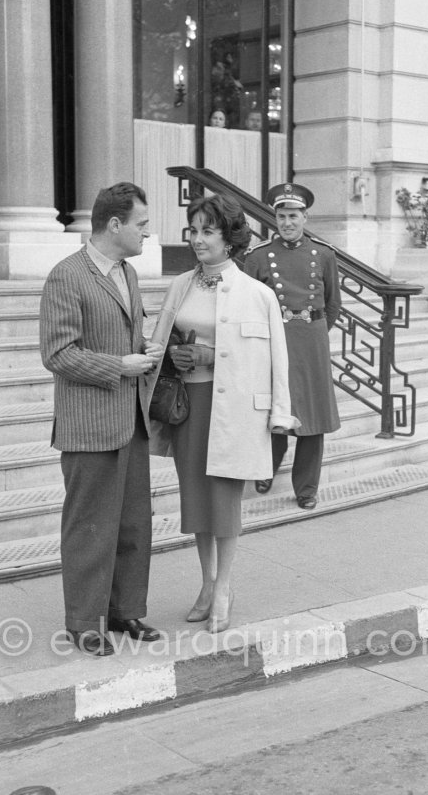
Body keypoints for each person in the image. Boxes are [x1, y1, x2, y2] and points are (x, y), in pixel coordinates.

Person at [150, 193, 298, 634]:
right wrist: (176, 354)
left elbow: (277, 361)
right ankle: (207, 582)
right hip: (188, 408)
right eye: (193, 230)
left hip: (233, 409)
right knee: (196, 499)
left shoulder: (258, 294)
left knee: (224, 500)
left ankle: (225, 587)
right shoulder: (181, 285)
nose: (197, 239)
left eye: (207, 231)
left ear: (230, 237)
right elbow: (161, 342)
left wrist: (280, 413)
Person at [40, 182, 164, 656]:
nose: (147, 233)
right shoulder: (66, 276)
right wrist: (120, 366)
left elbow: (125, 334)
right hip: (89, 424)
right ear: (115, 225)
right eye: (141, 225)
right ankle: (83, 622)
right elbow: (58, 353)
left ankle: (124, 609)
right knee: (90, 526)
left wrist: (145, 349)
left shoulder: (127, 274)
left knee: (134, 522)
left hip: (129, 418)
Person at [244, 182, 341, 510]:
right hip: (275, 340)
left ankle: (306, 489)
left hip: (311, 341)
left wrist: (316, 334)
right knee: (274, 409)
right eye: (282, 216)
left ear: (305, 217)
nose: (288, 222)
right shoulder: (258, 258)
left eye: (294, 216)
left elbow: (333, 305)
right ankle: (265, 469)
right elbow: (250, 307)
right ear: (274, 219)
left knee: (311, 418)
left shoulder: (323, 254)